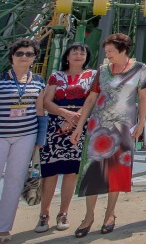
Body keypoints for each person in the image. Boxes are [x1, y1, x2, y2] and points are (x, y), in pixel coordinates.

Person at [70, 33, 146, 238]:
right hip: (98, 127)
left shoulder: (139, 69)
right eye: (106, 52)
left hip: (123, 127)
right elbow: (91, 99)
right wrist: (80, 125)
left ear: (123, 50)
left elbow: (143, 97)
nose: (108, 55)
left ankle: (110, 214)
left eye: (111, 52)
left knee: (116, 172)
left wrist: (141, 122)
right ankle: (88, 217)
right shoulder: (102, 71)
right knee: (92, 172)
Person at [0, 38, 47, 244]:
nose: (24, 57)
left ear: (34, 58)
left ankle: (3, 230)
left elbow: (39, 112)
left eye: (29, 54)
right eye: (20, 53)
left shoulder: (39, 81)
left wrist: (39, 141)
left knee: (14, 182)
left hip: (26, 136)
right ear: (12, 56)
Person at [34, 43, 96, 233]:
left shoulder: (93, 76)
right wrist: (64, 114)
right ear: (67, 56)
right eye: (74, 52)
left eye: (82, 53)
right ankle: (44, 214)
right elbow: (46, 100)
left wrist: (75, 119)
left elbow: (92, 100)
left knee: (71, 173)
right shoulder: (56, 76)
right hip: (56, 127)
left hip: (79, 127)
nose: (78, 55)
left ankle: (63, 213)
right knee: (50, 173)